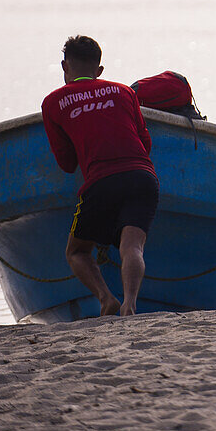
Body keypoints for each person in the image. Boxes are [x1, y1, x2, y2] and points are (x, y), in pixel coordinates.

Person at [41, 35, 159, 316]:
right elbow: (146, 143)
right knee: (132, 247)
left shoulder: (53, 103)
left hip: (101, 181)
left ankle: (107, 299)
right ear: (100, 70)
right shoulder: (124, 92)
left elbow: (67, 164)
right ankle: (130, 304)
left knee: (77, 252)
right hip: (143, 176)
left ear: (64, 67)